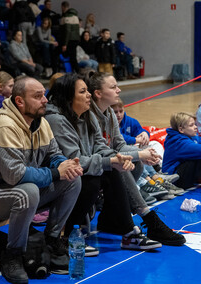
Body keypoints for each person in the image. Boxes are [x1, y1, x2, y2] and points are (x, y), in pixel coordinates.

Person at [0, 76, 82, 283]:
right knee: (28, 191)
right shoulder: (4, 126)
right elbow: (15, 175)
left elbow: (53, 154)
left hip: (16, 191)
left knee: (72, 180)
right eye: (37, 96)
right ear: (19, 101)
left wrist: (65, 165)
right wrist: (56, 172)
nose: (45, 100)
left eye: (44, 95)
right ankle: (13, 255)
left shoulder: (42, 123)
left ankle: (51, 240)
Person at [45, 73, 162, 255]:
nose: (88, 95)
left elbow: (101, 146)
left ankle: (127, 230)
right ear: (69, 97)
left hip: (79, 171)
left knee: (114, 169)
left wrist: (118, 159)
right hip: (57, 177)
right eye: (83, 91)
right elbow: (74, 160)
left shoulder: (86, 114)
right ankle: (69, 235)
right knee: (93, 179)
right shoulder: (57, 120)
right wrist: (114, 160)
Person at [87, 71, 186, 246]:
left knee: (137, 164)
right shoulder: (90, 116)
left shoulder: (109, 113)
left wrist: (143, 154)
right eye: (113, 87)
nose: (118, 90)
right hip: (91, 165)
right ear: (98, 93)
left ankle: (110, 217)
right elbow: (100, 151)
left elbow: (118, 145)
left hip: (107, 162)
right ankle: (148, 218)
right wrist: (138, 153)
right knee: (121, 166)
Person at [111, 99, 184, 198]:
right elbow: (120, 139)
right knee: (138, 152)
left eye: (121, 111)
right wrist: (136, 140)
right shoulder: (109, 124)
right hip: (119, 152)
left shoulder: (128, 120)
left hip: (131, 149)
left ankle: (157, 174)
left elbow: (141, 129)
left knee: (153, 144)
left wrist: (145, 134)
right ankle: (151, 181)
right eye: (115, 112)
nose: (119, 115)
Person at [59, 1, 80, 72]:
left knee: (72, 58)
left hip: (69, 40)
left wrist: (65, 44)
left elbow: (67, 31)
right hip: (75, 39)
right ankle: (75, 73)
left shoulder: (66, 16)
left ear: (63, 7)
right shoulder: (75, 16)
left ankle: (78, 73)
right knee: (72, 58)